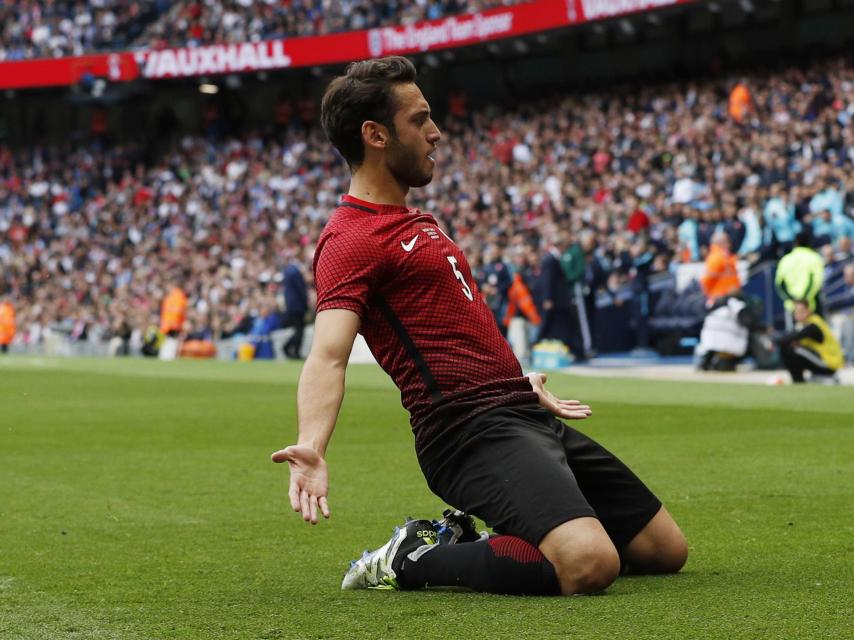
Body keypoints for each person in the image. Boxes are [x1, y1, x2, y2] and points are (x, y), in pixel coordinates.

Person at [271, 56, 687, 597]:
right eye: (419, 120)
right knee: (589, 565)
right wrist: (311, 444)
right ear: (375, 135)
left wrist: (516, 380)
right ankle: (412, 558)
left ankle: (531, 535)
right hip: (467, 433)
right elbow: (328, 354)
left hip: (518, 411)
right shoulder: (350, 239)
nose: (435, 132)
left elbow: (457, 327)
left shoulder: (416, 221)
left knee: (664, 550)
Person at [774, 300, 843, 384]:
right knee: (789, 347)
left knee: (792, 349)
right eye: (795, 311)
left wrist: (772, 341)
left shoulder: (813, 324)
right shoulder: (801, 324)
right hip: (821, 360)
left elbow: (791, 337)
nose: (797, 314)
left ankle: (801, 381)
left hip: (829, 364)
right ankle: (798, 381)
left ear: (808, 311)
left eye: (801, 311)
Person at [775, 232, 825, 314]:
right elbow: (816, 282)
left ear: (796, 243)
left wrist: (793, 300)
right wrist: (803, 301)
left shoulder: (785, 260)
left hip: (792, 307)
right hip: (810, 306)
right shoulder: (815, 258)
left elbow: (780, 284)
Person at [700, 231, 741, 304]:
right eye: (727, 241)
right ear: (721, 242)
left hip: (727, 298)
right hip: (720, 299)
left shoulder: (722, 256)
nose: (730, 244)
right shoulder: (717, 258)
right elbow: (706, 281)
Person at [281, 259, 308, 359]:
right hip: (298, 306)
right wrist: (306, 304)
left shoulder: (288, 271)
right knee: (300, 330)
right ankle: (291, 349)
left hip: (291, 305)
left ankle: (292, 350)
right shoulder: (295, 272)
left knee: (298, 329)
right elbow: (301, 289)